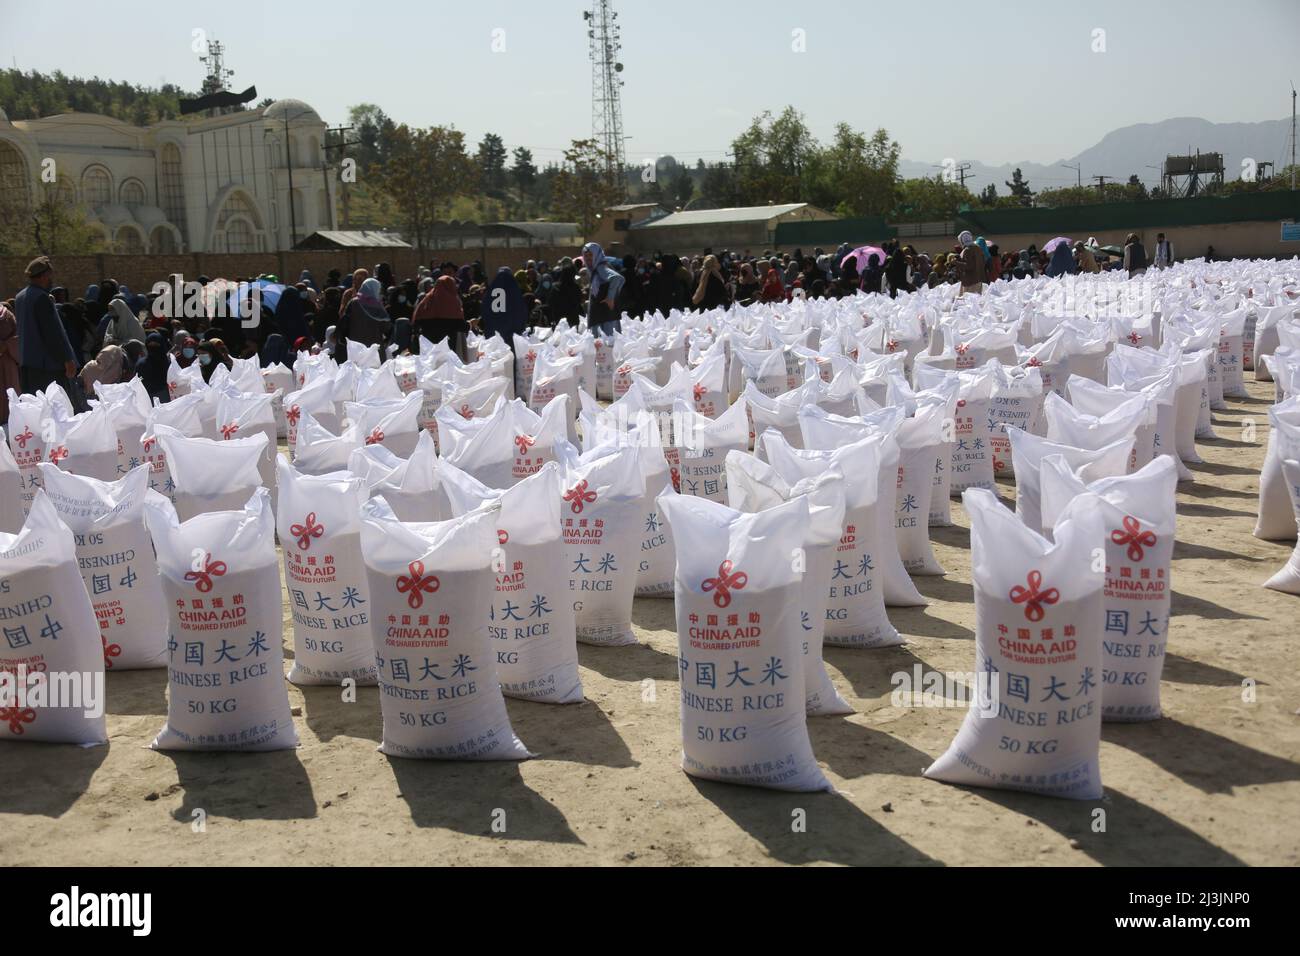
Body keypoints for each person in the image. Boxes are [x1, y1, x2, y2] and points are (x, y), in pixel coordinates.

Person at [15, 257, 78, 396]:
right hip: (47, 368)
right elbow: (53, 333)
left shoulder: (20, 297)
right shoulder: (41, 297)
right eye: (50, 275)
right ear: (44, 275)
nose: (51, 279)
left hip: (27, 365)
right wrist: (67, 359)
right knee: (55, 411)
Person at [412, 274, 469, 358]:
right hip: (448, 349)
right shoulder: (453, 302)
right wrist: (470, 325)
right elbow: (461, 326)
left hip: (427, 349)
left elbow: (416, 322)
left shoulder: (427, 300)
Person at [338, 277, 392, 354]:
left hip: (356, 348)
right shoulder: (377, 305)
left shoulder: (353, 303)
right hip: (374, 349)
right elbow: (386, 327)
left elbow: (345, 321)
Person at [582, 242, 625, 334]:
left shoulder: (600, 267)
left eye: (590, 255)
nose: (588, 258)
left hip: (604, 317)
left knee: (606, 344)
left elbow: (617, 278)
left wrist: (610, 297)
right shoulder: (596, 269)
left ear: (597, 255)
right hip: (603, 315)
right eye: (586, 255)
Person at [480, 267, 529, 343]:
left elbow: (485, 309)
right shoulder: (513, 289)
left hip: (493, 331)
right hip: (511, 332)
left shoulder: (492, 289)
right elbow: (520, 309)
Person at [0, 303, 21, 424]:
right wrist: (7, 345)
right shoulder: (8, 315)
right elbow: (18, 337)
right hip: (8, 360)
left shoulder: (7, 315)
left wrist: (5, 346)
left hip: (7, 360)